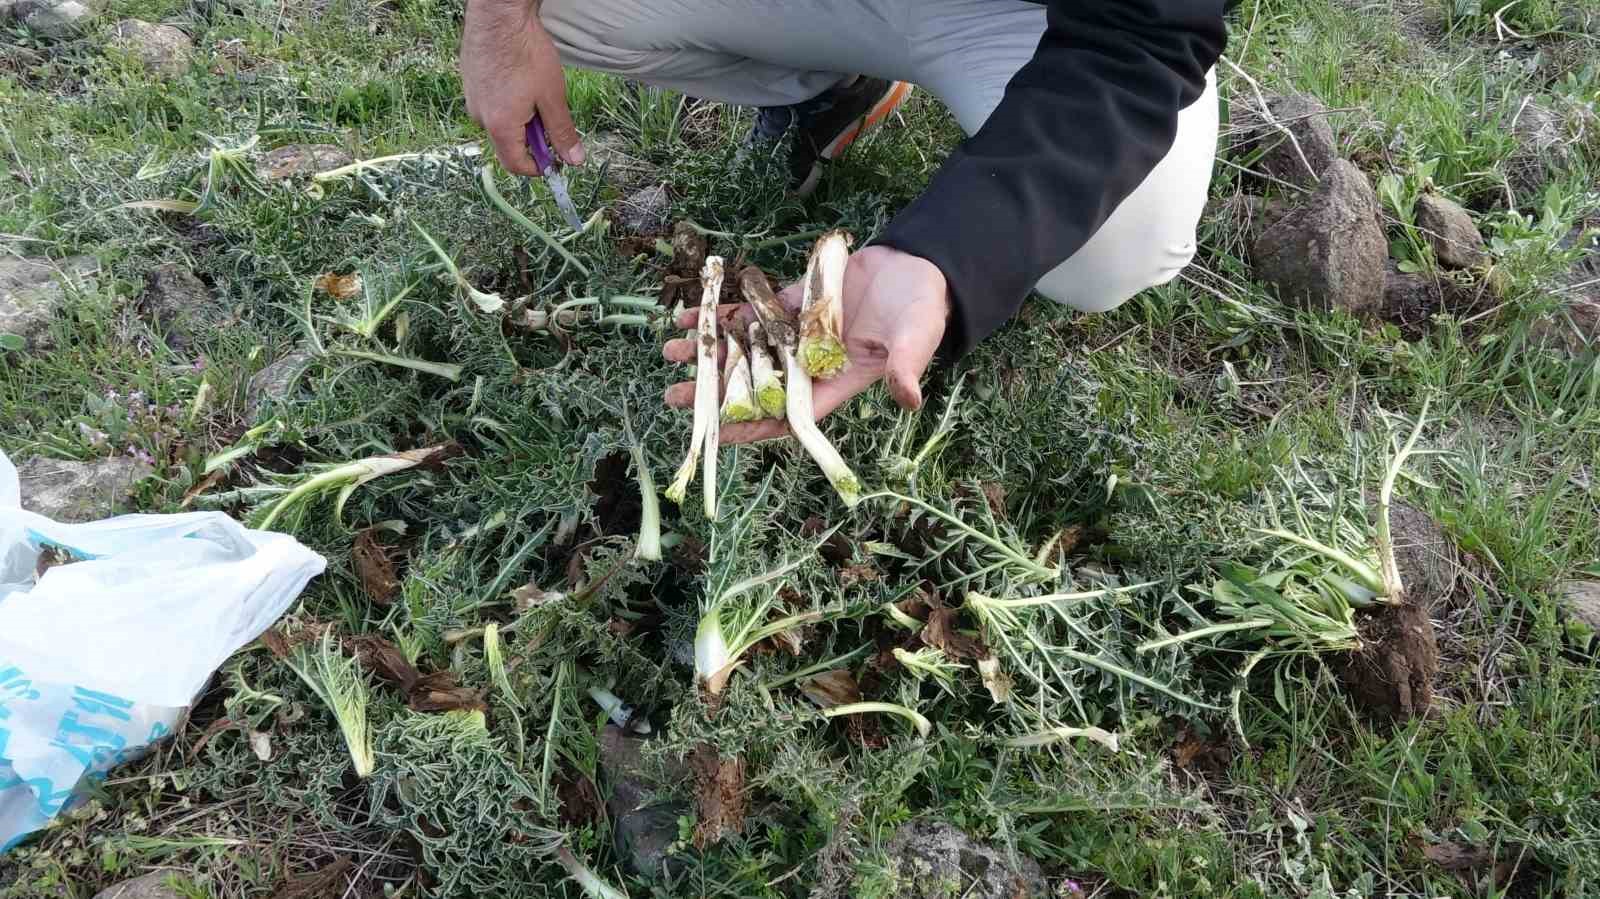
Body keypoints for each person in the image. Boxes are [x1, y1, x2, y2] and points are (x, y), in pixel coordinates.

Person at [461, 1, 1229, 442]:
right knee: (546, 11)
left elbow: (1140, 37)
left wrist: (943, 253)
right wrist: (497, 18)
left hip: (1031, 17)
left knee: (1114, 241)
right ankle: (828, 84)